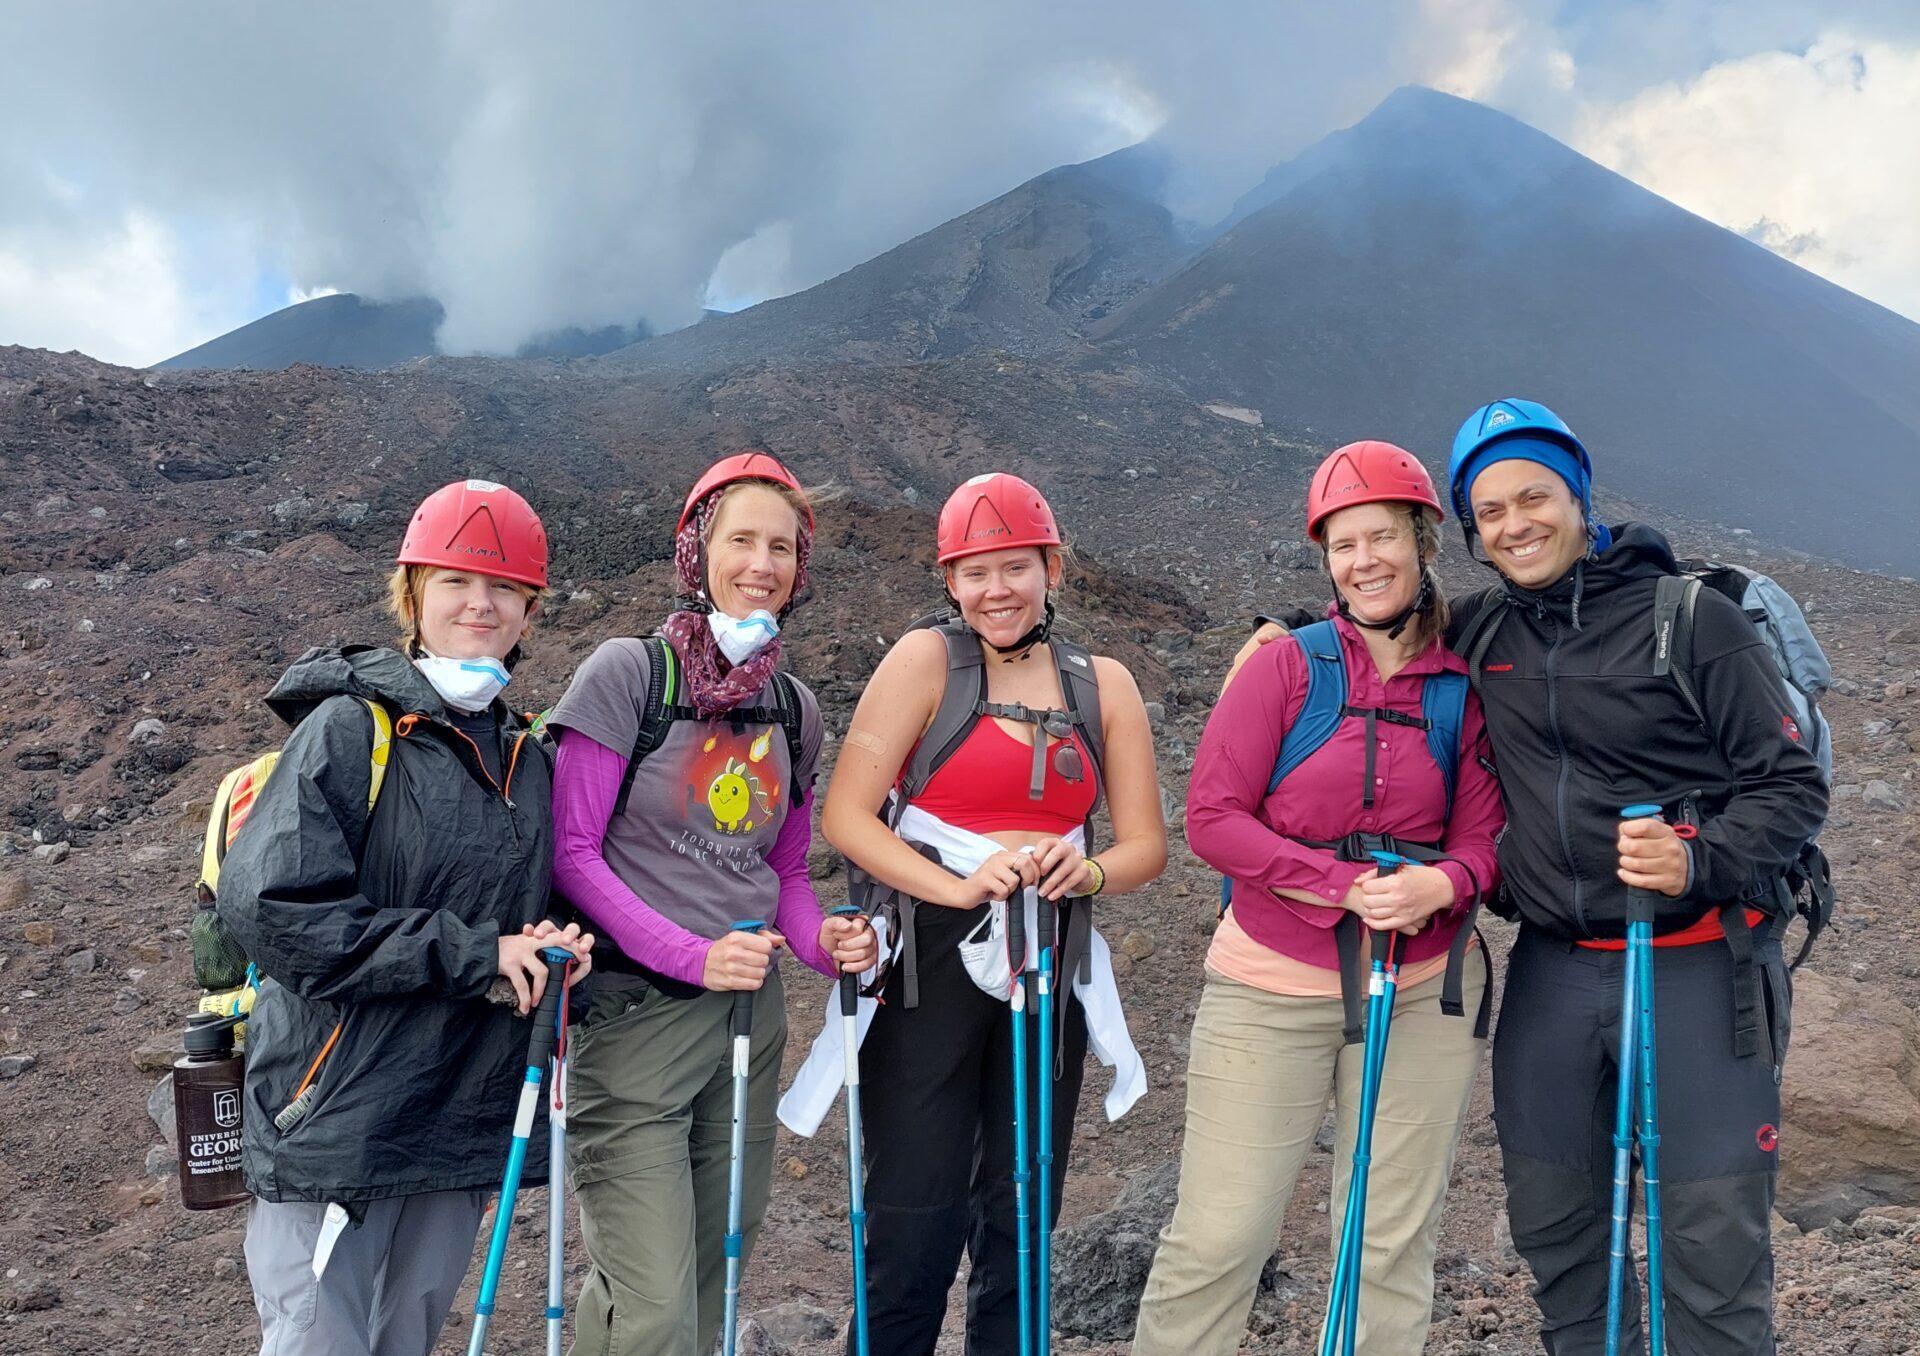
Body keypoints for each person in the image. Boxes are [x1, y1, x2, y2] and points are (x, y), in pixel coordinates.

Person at [1235, 402, 1828, 1353]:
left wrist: (1698, 858)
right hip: (1555, 968)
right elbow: (1383, 631)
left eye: (1534, 496)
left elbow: (1790, 785)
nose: (1516, 524)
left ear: (1580, 499)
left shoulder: (1692, 621)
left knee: (1711, 1244)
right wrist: (1291, 631)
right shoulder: (1480, 630)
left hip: (1697, 964)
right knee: (1558, 1233)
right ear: (1470, 533)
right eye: (1491, 511)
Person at [1132, 442, 1502, 1356]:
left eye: (1382, 537)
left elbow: (1484, 836)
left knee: (1387, 1245)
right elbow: (1213, 819)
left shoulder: (1462, 684)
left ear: (1423, 544)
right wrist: (1345, 886)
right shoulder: (1284, 667)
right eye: (1342, 545)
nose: (1363, 560)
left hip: (1420, 992)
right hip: (1268, 988)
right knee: (1220, 1240)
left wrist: (1444, 882)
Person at [216, 478, 594, 1356]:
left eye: (504, 588)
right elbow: (273, 910)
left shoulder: (529, 758)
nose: (480, 603)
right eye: (456, 581)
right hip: (337, 1113)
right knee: (319, 1339)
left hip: (455, 1115)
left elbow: (538, 909)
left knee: (407, 1337)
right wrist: (478, 954)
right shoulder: (352, 730)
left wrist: (555, 943)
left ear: (529, 613)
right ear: (413, 594)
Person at [818, 470, 1167, 1356]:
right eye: (974, 572)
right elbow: (849, 816)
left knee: (1023, 1204)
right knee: (913, 1207)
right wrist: (959, 888)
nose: (995, 590)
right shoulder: (924, 661)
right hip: (928, 959)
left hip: (1048, 950)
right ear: (950, 581)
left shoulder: (1106, 686)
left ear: (1053, 567)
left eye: (1014, 566)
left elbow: (1144, 847)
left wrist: (1081, 873)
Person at [545, 452, 876, 1356]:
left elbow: (790, 876)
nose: (762, 563)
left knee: (705, 1278)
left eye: (782, 547)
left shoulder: (794, 709)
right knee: (652, 1303)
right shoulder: (626, 676)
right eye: (742, 540)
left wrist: (826, 944)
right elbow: (572, 856)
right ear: (697, 551)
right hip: (635, 1021)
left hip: (747, 1021)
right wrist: (691, 956)